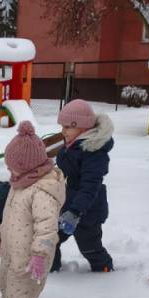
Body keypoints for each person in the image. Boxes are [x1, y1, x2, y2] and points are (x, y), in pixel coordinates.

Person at [0, 121, 65, 298]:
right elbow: (9, 217)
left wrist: (40, 255)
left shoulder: (42, 192)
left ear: (25, 166)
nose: (9, 170)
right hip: (11, 252)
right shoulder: (19, 183)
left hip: (30, 259)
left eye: (11, 166)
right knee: (4, 284)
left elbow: (47, 228)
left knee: (19, 297)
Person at [53, 98, 114, 273]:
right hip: (68, 206)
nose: (63, 131)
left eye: (67, 127)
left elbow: (90, 186)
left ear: (83, 128)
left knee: (89, 247)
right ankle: (50, 268)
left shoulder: (94, 151)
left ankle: (104, 268)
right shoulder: (74, 145)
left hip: (88, 211)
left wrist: (75, 212)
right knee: (51, 238)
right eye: (62, 126)